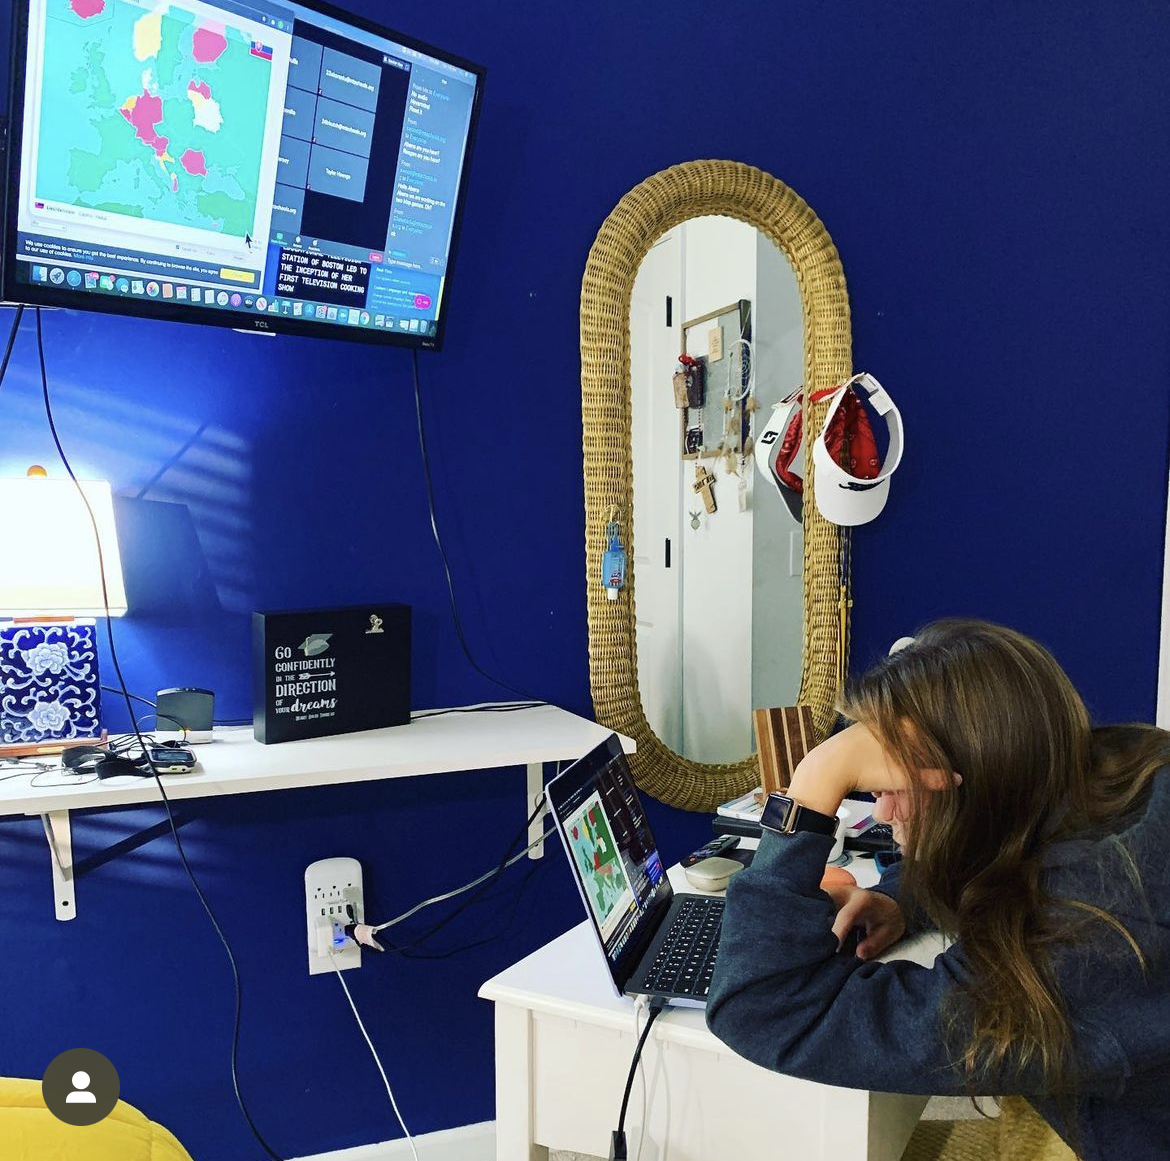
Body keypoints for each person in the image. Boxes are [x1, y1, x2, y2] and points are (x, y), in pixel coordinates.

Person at [705, 619, 1170, 1161]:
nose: (882, 810)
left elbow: (761, 1008)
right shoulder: (1119, 765)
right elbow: (1003, 842)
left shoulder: (1089, 936)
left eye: (895, 785)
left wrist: (811, 785)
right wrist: (902, 901)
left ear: (975, 776)